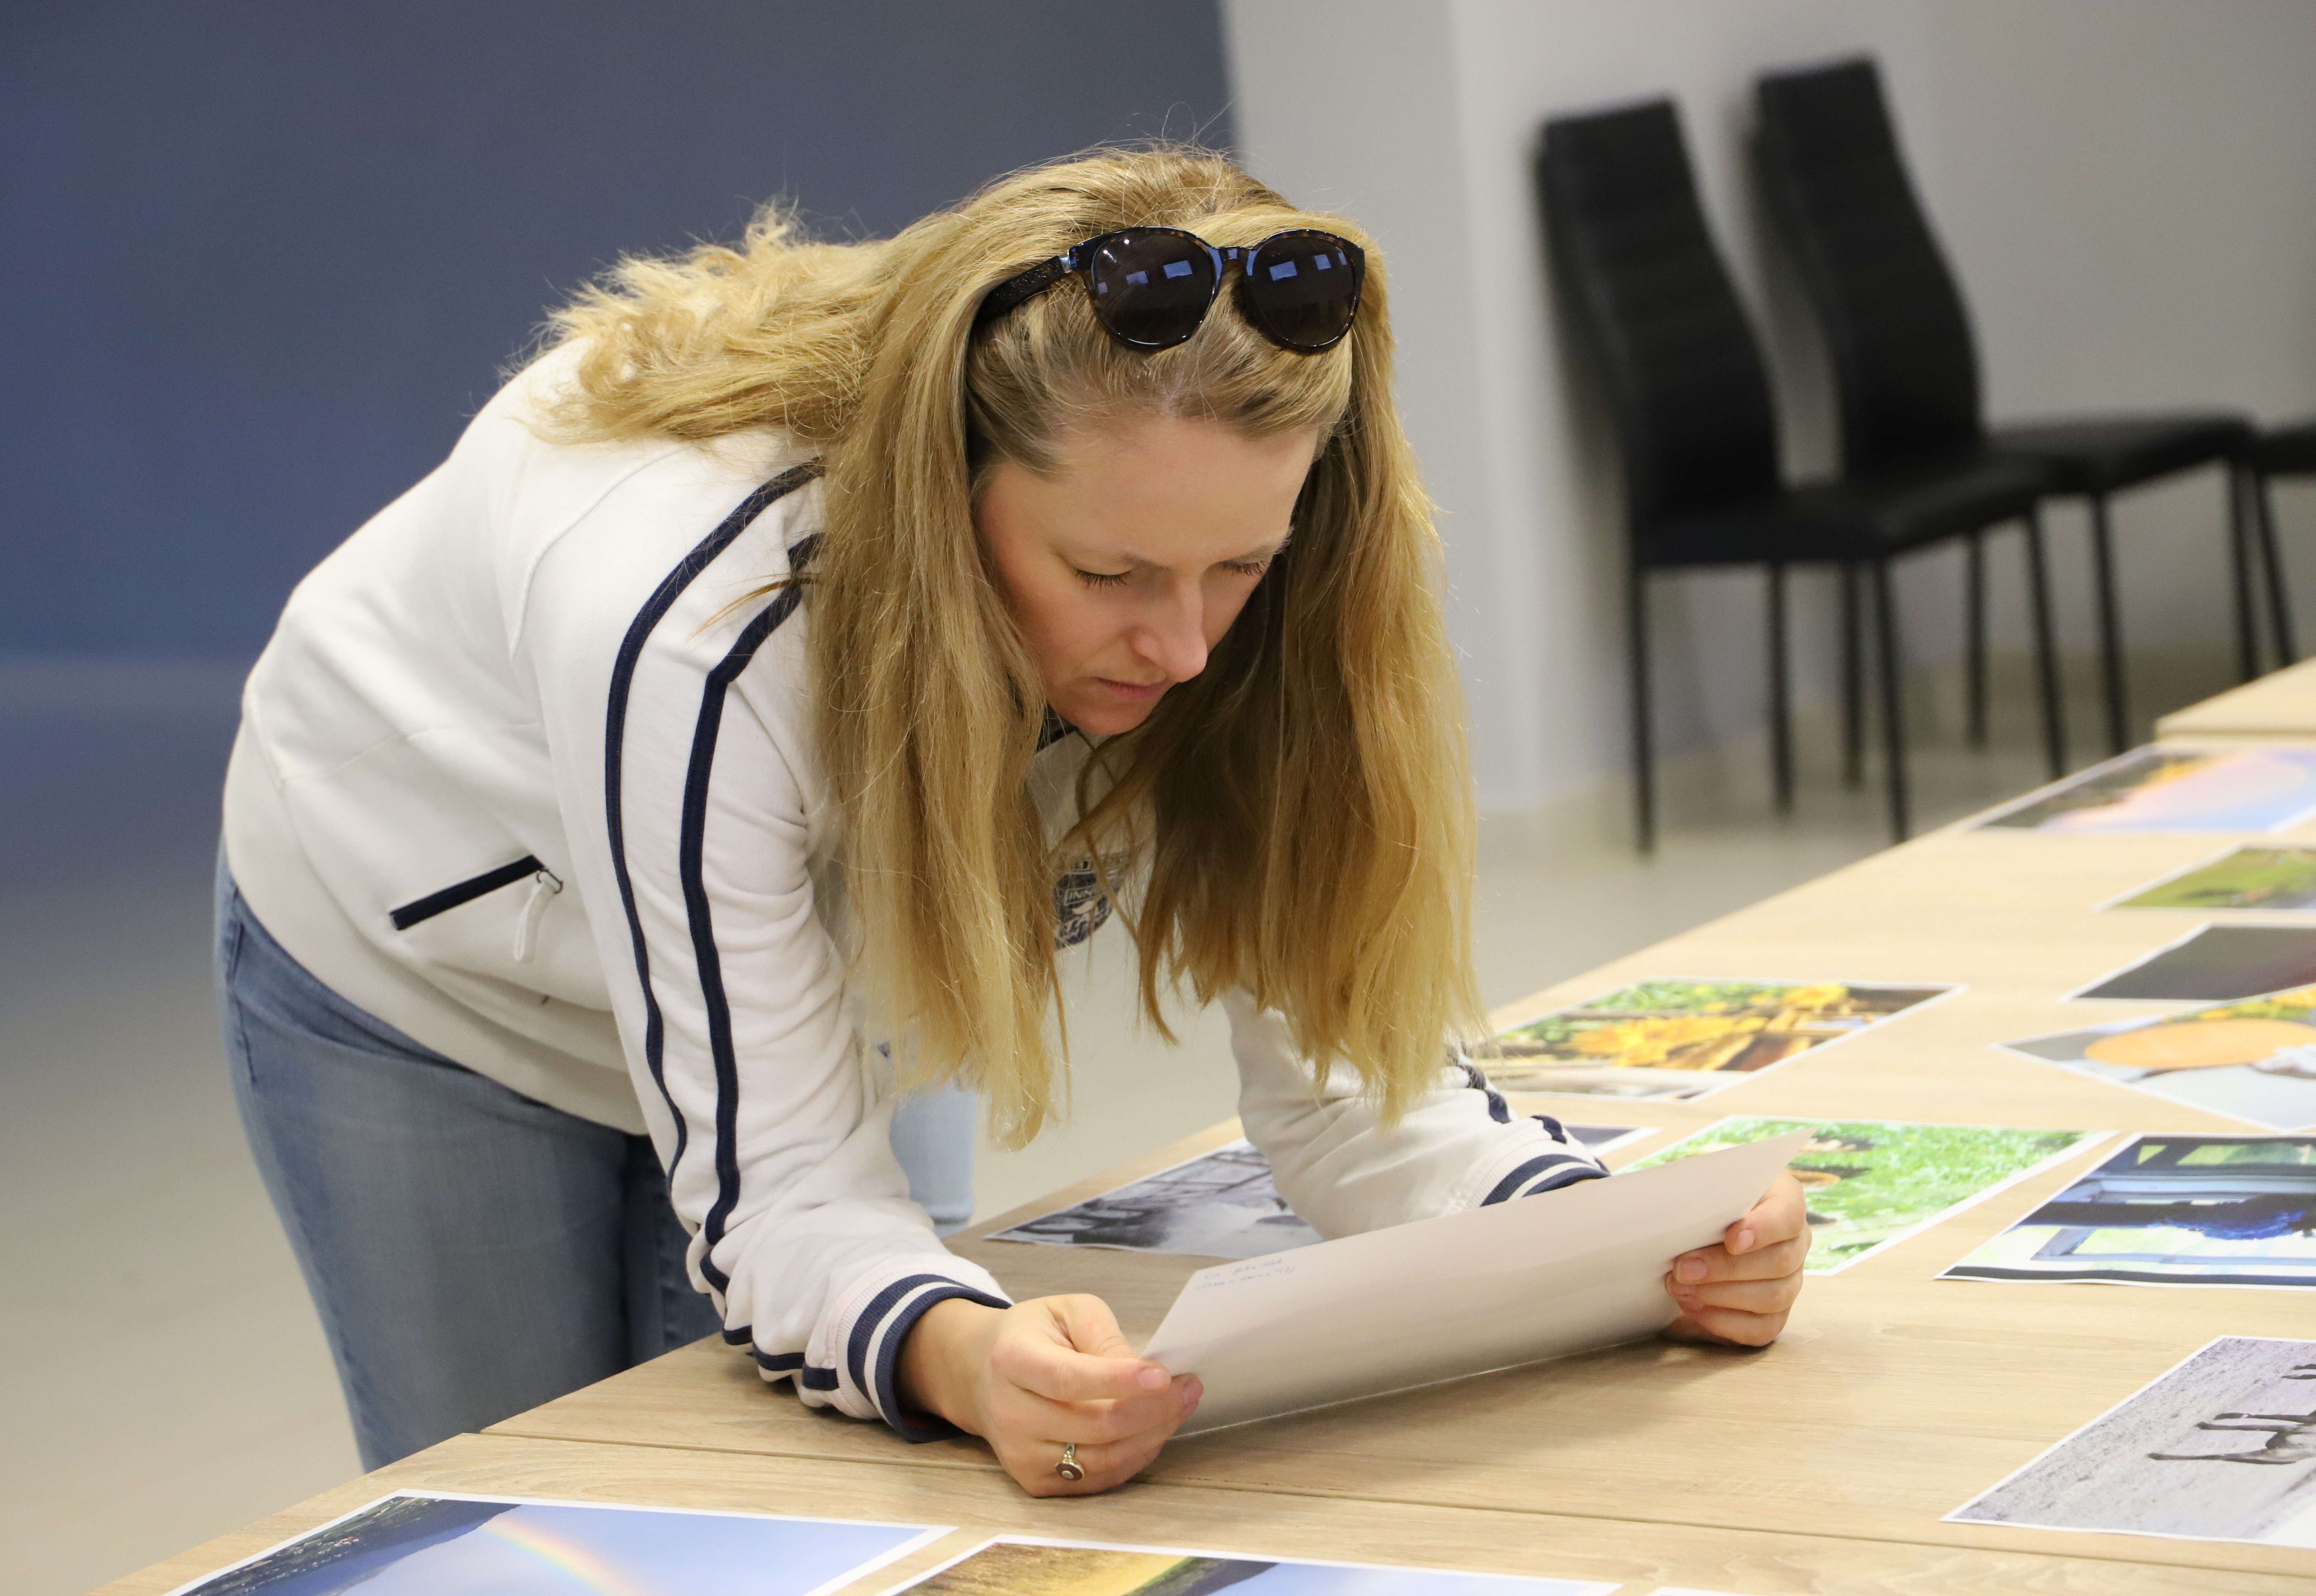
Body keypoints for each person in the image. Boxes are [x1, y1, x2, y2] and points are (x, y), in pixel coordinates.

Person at [216, 146, 1810, 1497]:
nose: (1183, 650)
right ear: (946, 494)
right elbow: (789, 1199)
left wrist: (1625, 1240)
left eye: (1238, 570)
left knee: (846, 1466)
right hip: (441, 976)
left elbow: (1356, 1104)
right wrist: (964, 1355)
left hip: (828, 952)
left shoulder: (1273, 580)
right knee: (529, 1507)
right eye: (1108, 576)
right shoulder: (704, 610)